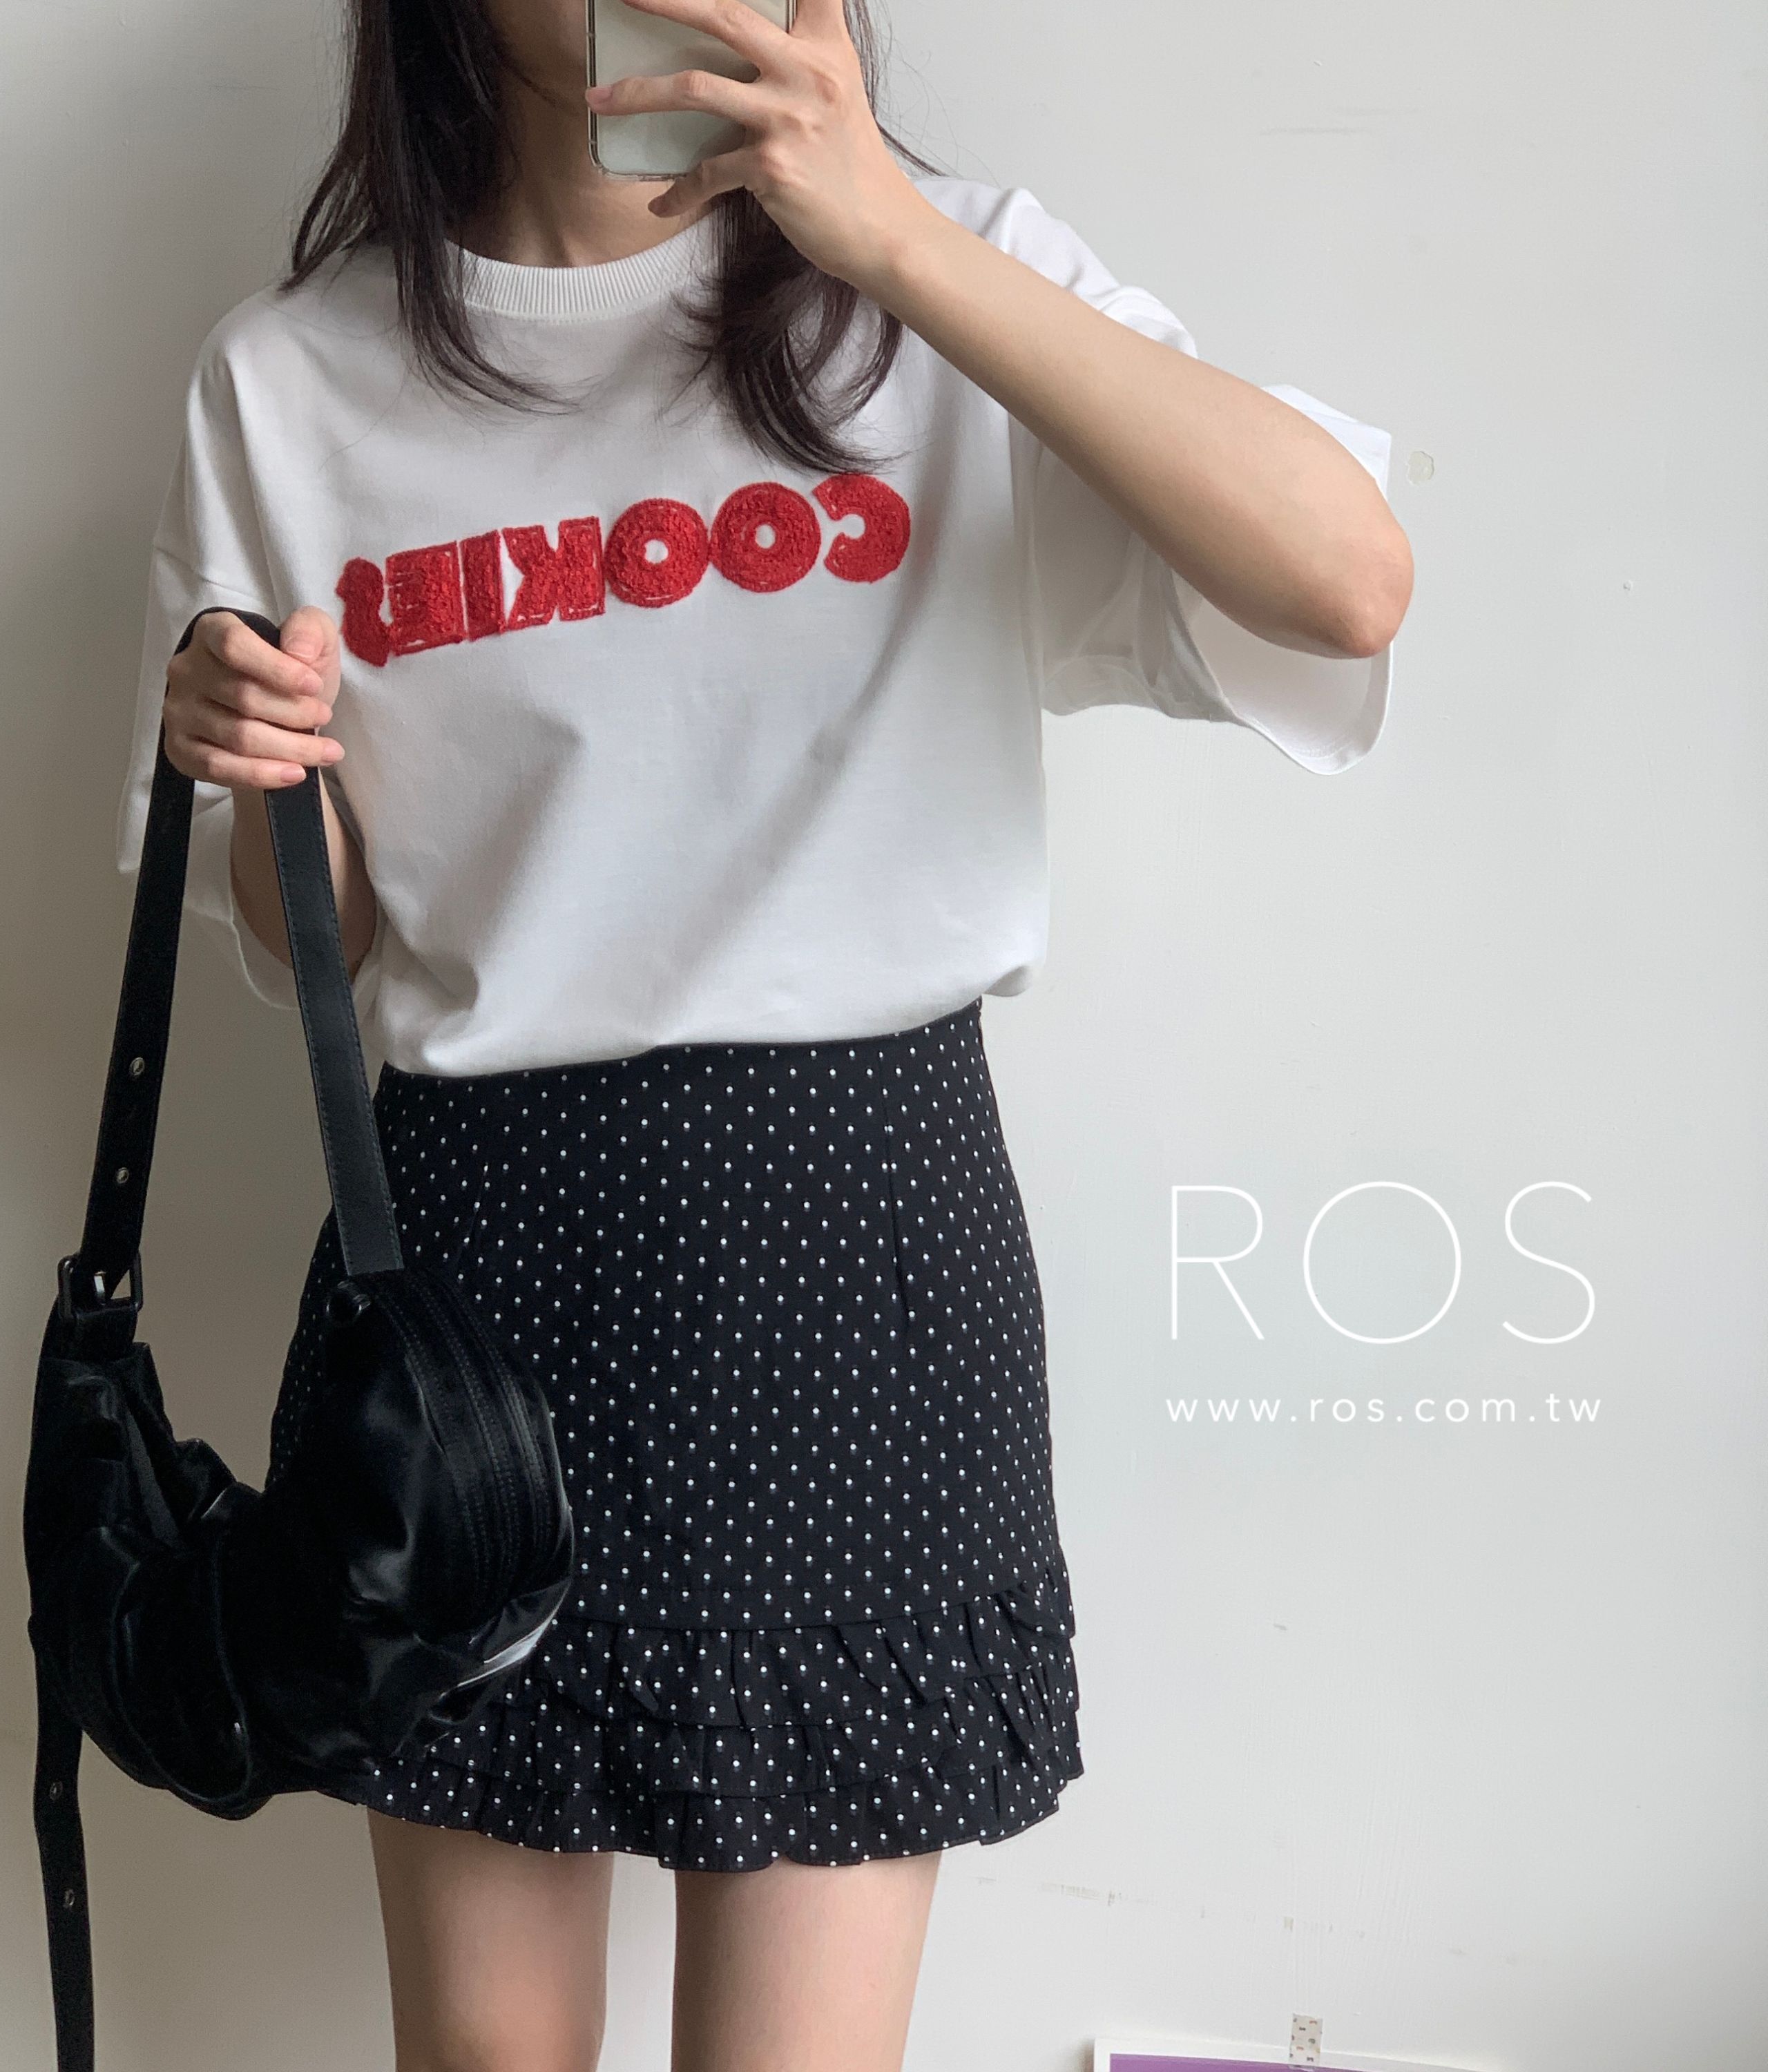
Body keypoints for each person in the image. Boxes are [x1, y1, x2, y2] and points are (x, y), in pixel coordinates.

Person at [122, 0, 1414, 2063]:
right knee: (484, 2059)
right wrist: (263, 765)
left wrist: (892, 238)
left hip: (852, 1252)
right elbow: (329, 948)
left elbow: (1346, 582)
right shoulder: (293, 377)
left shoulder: (935, 285)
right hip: (469, 1277)